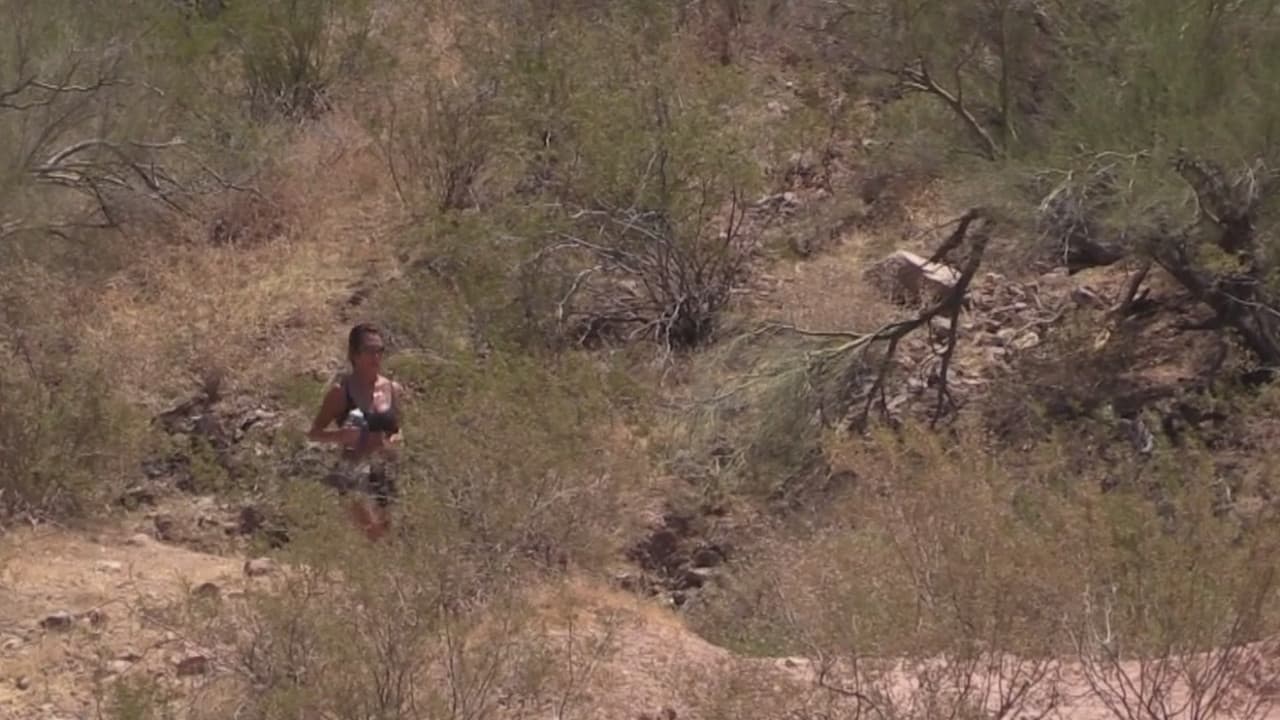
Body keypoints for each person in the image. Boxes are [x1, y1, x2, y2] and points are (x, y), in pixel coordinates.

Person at [308, 323, 403, 541]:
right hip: (353, 471)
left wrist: (396, 439)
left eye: (380, 350)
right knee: (372, 534)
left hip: (385, 469)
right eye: (369, 350)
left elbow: (398, 428)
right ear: (354, 354)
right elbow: (314, 433)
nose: (376, 356)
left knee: (386, 536)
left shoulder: (393, 390)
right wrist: (339, 436)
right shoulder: (341, 393)